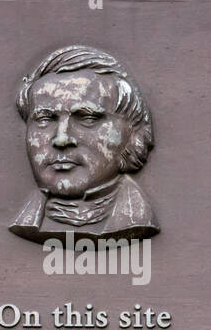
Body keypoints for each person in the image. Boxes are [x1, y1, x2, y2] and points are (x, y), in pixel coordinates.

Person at [8, 44, 160, 243]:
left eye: (88, 118)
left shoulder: (136, 215)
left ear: (133, 133)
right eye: (45, 119)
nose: (61, 139)